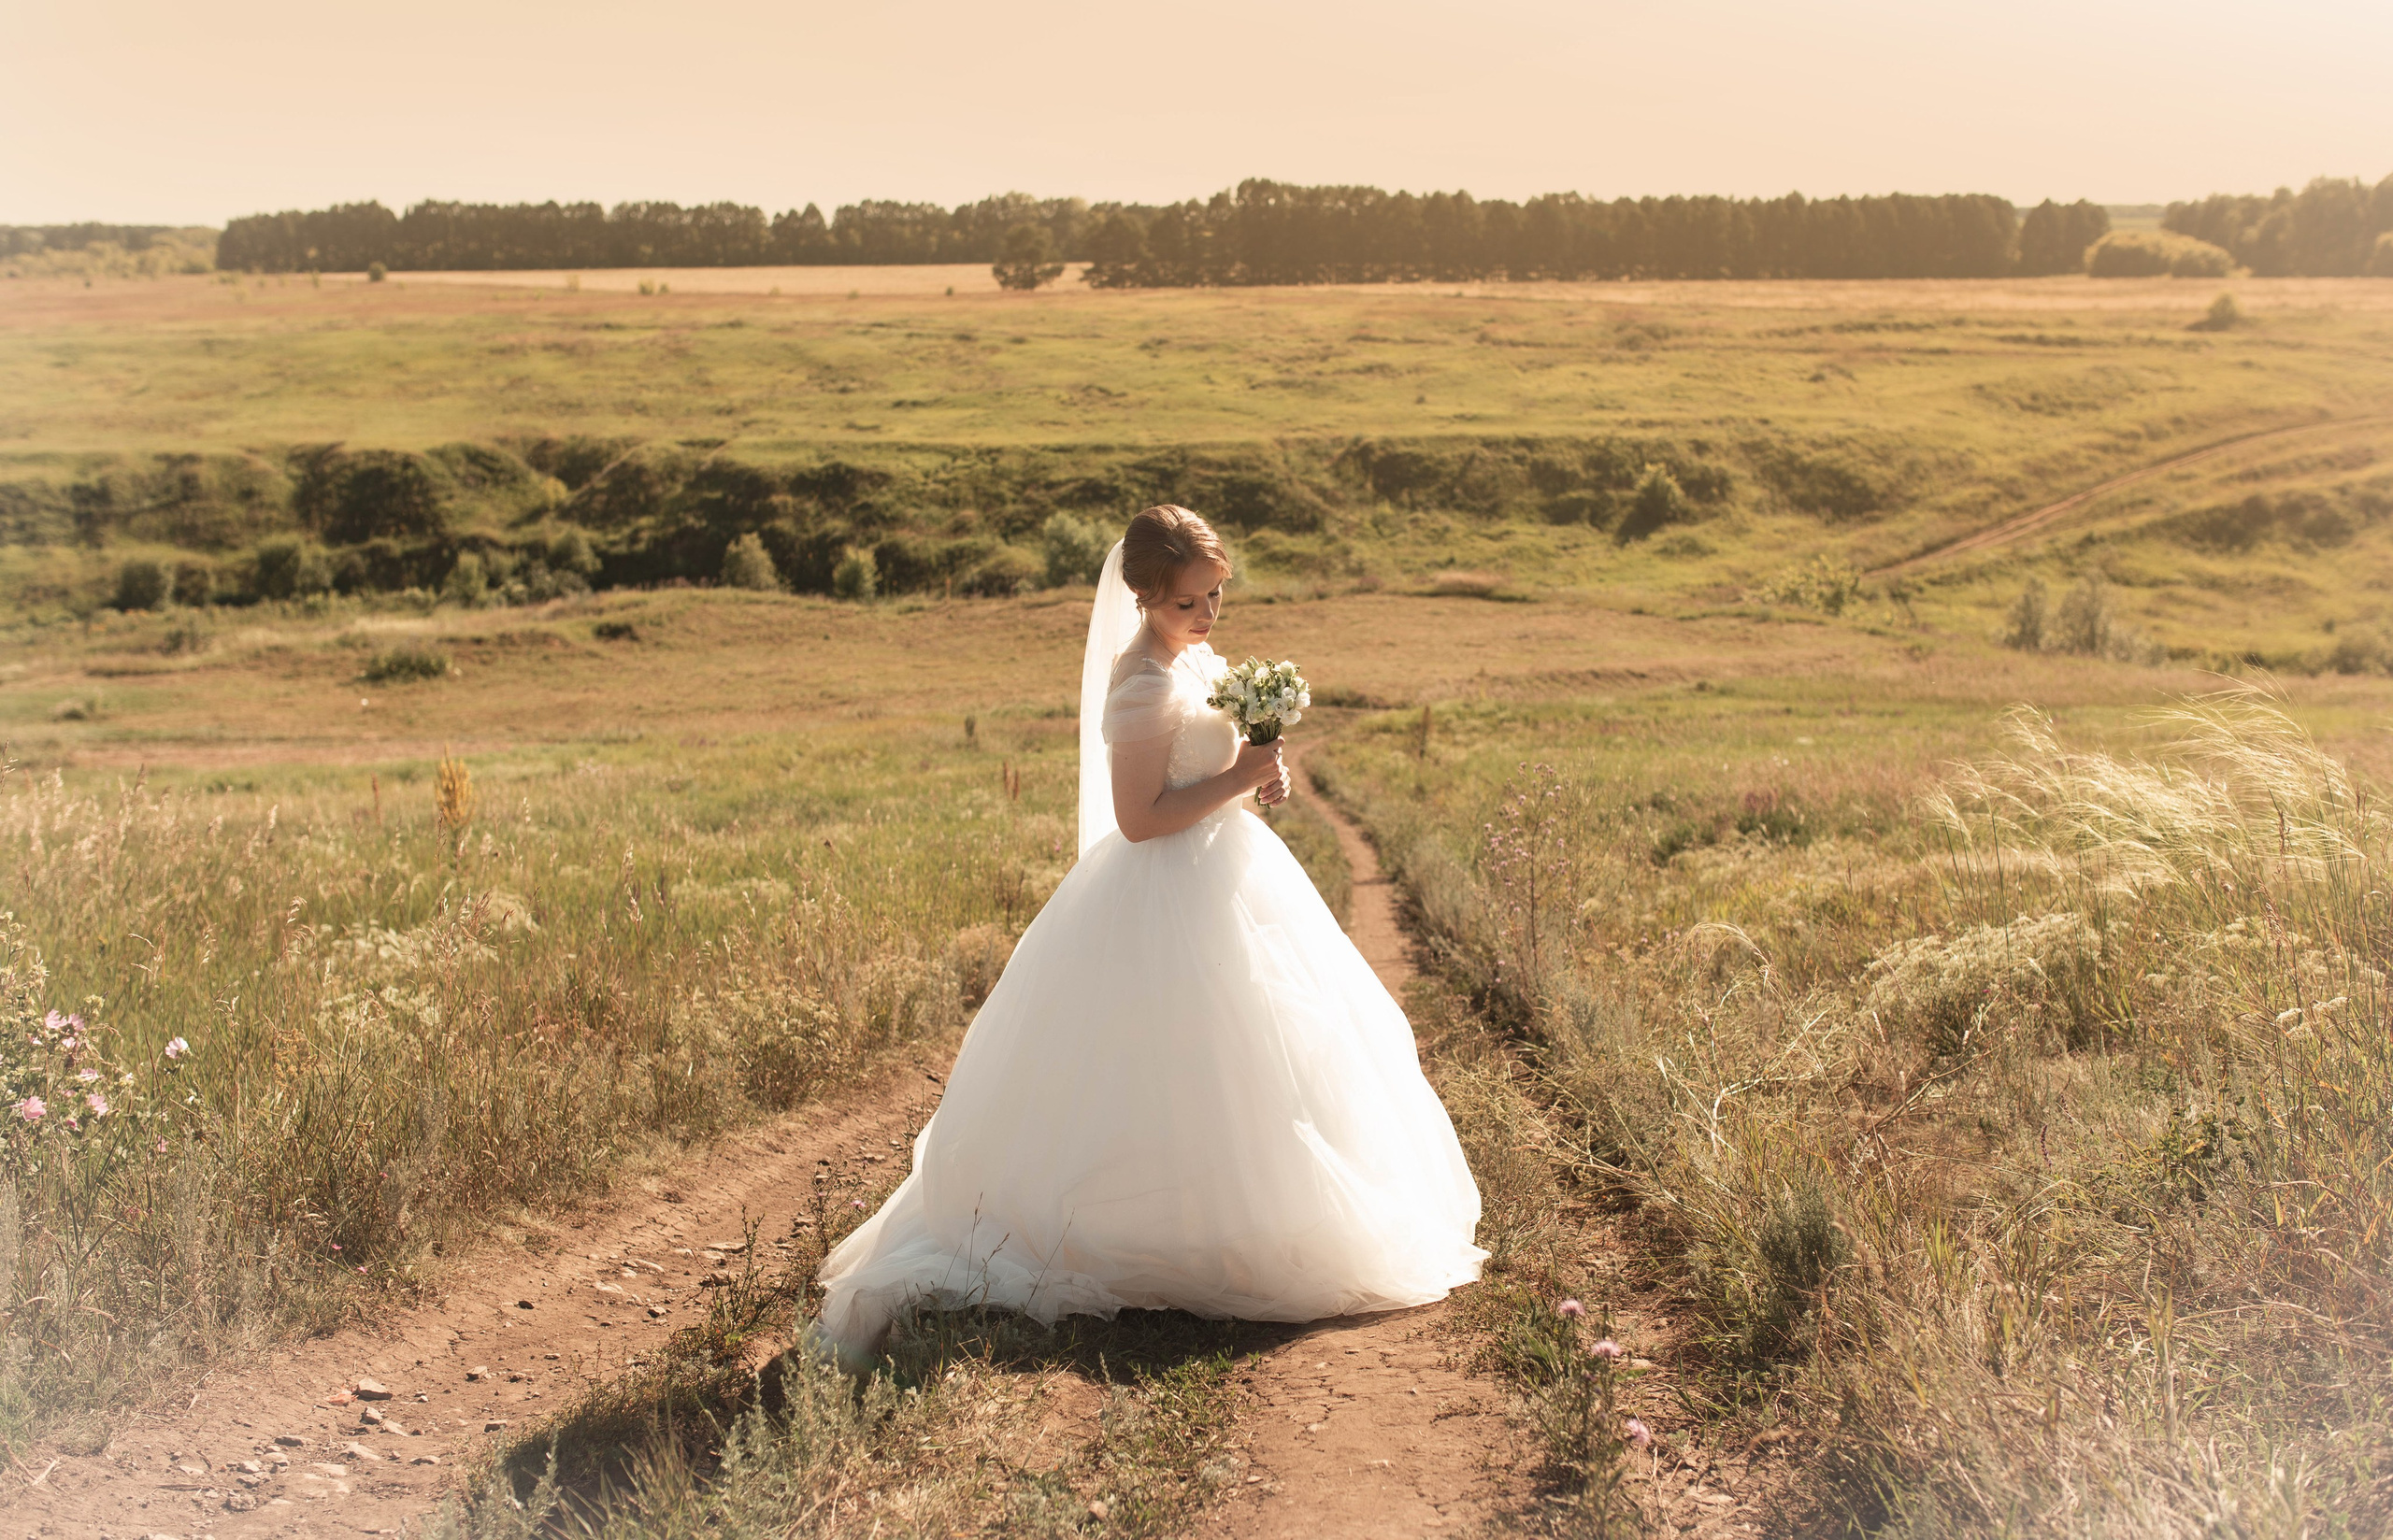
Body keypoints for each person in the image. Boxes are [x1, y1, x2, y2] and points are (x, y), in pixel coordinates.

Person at [812, 504, 1484, 1367]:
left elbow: (1202, 775)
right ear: (1142, 597)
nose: (1205, 619)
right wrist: (1235, 774)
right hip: (1159, 887)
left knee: (1262, 1049)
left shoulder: (1195, 660)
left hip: (1228, 871)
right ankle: (1149, 1232)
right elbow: (1138, 820)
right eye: (1187, 605)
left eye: (1214, 600)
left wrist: (1252, 785)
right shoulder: (1139, 685)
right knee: (1160, 1057)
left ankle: (1249, 1216)